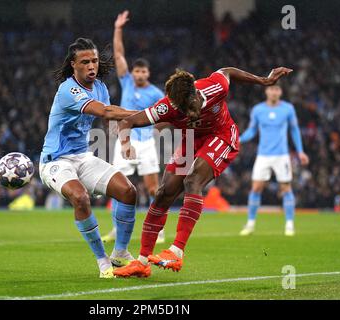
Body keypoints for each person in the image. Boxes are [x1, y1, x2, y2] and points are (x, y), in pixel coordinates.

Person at [113, 66, 292, 277]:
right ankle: (142, 262)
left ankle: (176, 251)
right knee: (163, 193)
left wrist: (263, 80)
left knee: (193, 180)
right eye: (182, 109)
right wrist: (125, 144)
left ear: (196, 93)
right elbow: (127, 121)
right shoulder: (166, 107)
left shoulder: (214, 87)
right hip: (191, 141)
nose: (188, 112)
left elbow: (227, 71)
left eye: (189, 105)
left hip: (221, 135)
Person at [39, 38, 138, 278]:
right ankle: (103, 260)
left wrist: (124, 141)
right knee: (80, 197)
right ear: (73, 64)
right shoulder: (68, 89)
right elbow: (104, 111)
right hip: (55, 161)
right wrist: (152, 114)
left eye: (94, 60)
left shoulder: (101, 87)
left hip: (82, 156)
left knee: (128, 191)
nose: (91, 65)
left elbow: (110, 118)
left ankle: (121, 252)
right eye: (85, 62)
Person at [102, 10, 166, 245]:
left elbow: (163, 116)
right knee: (119, 187)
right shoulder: (126, 81)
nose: (139, 74)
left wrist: (157, 132)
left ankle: (157, 229)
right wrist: (118, 28)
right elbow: (118, 54)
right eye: (136, 70)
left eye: (143, 71)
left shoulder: (156, 93)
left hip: (146, 143)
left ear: (148, 73)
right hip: (125, 141)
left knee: (152, 188)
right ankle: (117, 229)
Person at [239, 85, 309, 236]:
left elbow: (294, 130)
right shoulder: (258, 110)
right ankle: (250, 224)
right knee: (256, 188)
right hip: (263, 155)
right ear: (266, 91)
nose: (274, 92)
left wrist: (300, 151)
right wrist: (240, 140)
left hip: (282, 155)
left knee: (286, 188)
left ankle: (289, 225)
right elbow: (252, 130)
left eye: (277, 89)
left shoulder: (288, 109)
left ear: (281, 92)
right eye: (271, 89)